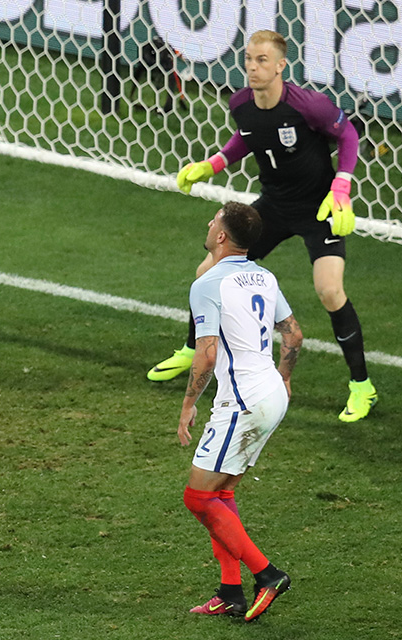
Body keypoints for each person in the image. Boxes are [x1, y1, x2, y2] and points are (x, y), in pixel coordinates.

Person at [152, 29, 378, 423]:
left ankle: (362, 386)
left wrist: (342, 185)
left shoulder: (310, 106)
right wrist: (212, 164)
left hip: (317, 208)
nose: (253, 68)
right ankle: (191, 348)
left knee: (329, 290)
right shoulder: (240, 103)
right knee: (209, 271)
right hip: (272, 206)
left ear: (280, 66)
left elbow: (350, 136)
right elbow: (247, 137)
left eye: (261, 61)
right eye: (249, 60)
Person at [177, 202, 303, 622]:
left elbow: (207, 356)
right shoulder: (265, 276)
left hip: (244, 402)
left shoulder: (208, 284)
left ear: (220, 237)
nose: (209, 222)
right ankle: (230, 593)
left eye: (214, 220)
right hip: (270, 393)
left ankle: (267, 575)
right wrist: (284, 377)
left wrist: (188, 404)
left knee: (197, 497)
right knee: (220, 493)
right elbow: (294, 335)